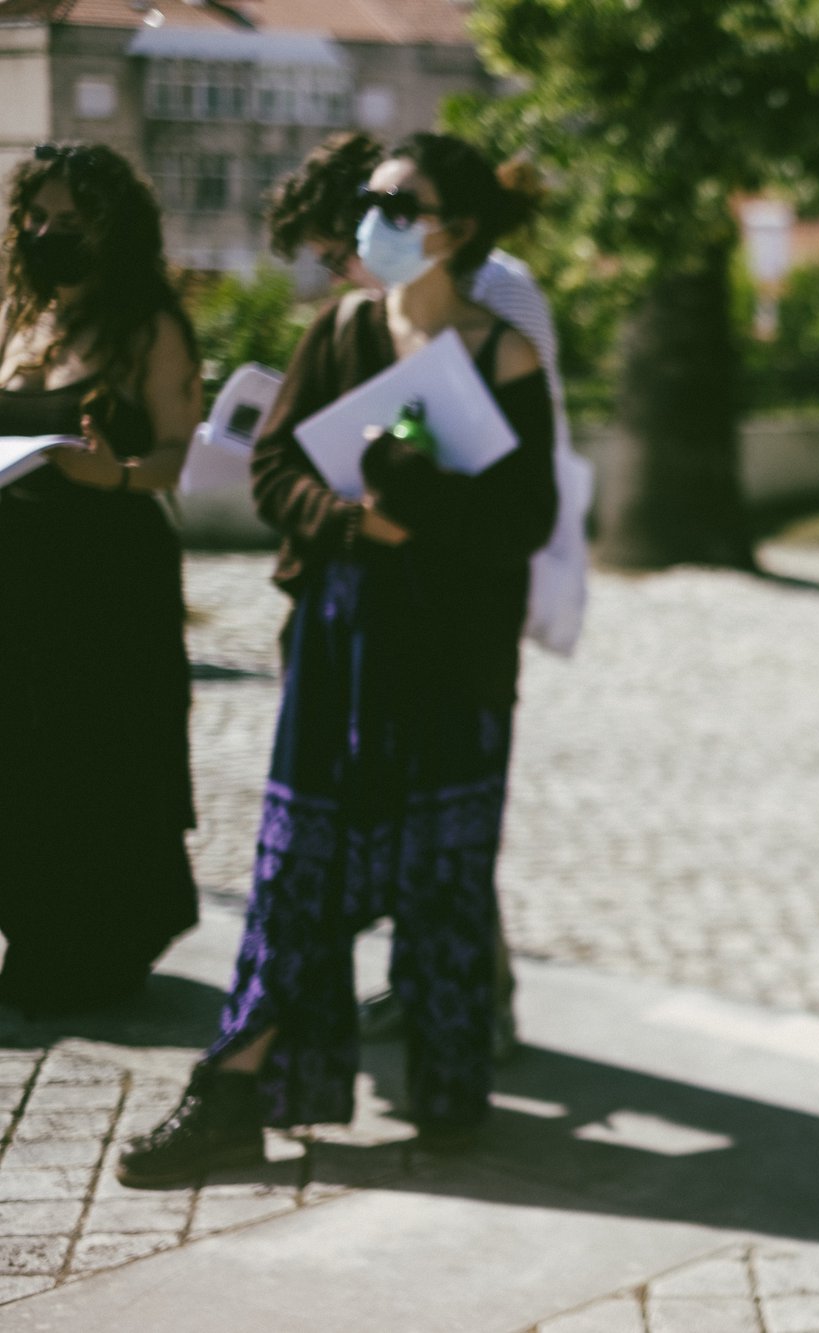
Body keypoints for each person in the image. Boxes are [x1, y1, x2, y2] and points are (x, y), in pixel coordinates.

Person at [117, 132, 555, 1186]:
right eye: (370, 202)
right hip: (340, 639)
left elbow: (524, 517)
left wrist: (424, 502)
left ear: (453, 230)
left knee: (442, 874)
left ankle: (450, 1087)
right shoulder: (342, 328)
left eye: (397, 204)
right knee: (298, 874)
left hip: (451, 660)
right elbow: (272, 467)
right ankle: (235, 1089)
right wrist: (355, 523)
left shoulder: (505, 356)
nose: (371, 221)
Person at [265, 130, 592, 1059]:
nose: (359, 252)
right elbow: (287, 452)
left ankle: (465, 1002)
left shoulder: (504, 307)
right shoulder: (350, 322)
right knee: (349, 812)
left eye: (380, 219)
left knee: (444, 813)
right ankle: (378, 997)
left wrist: (419, 495)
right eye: (341, 248)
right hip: (348, 593)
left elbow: (531, 457)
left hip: (454, 595)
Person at [0, 143, 202, 1015]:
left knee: (104, 755)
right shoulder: (21, 319)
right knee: (25, 759)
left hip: (111, 579)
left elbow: (171, 458)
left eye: (70, 223)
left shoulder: (150, 325)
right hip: (19, 576)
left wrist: (109, 473)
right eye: (37, 220)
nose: (48, 234)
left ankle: (108, 940)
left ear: (113, 231)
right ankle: (36, 932)